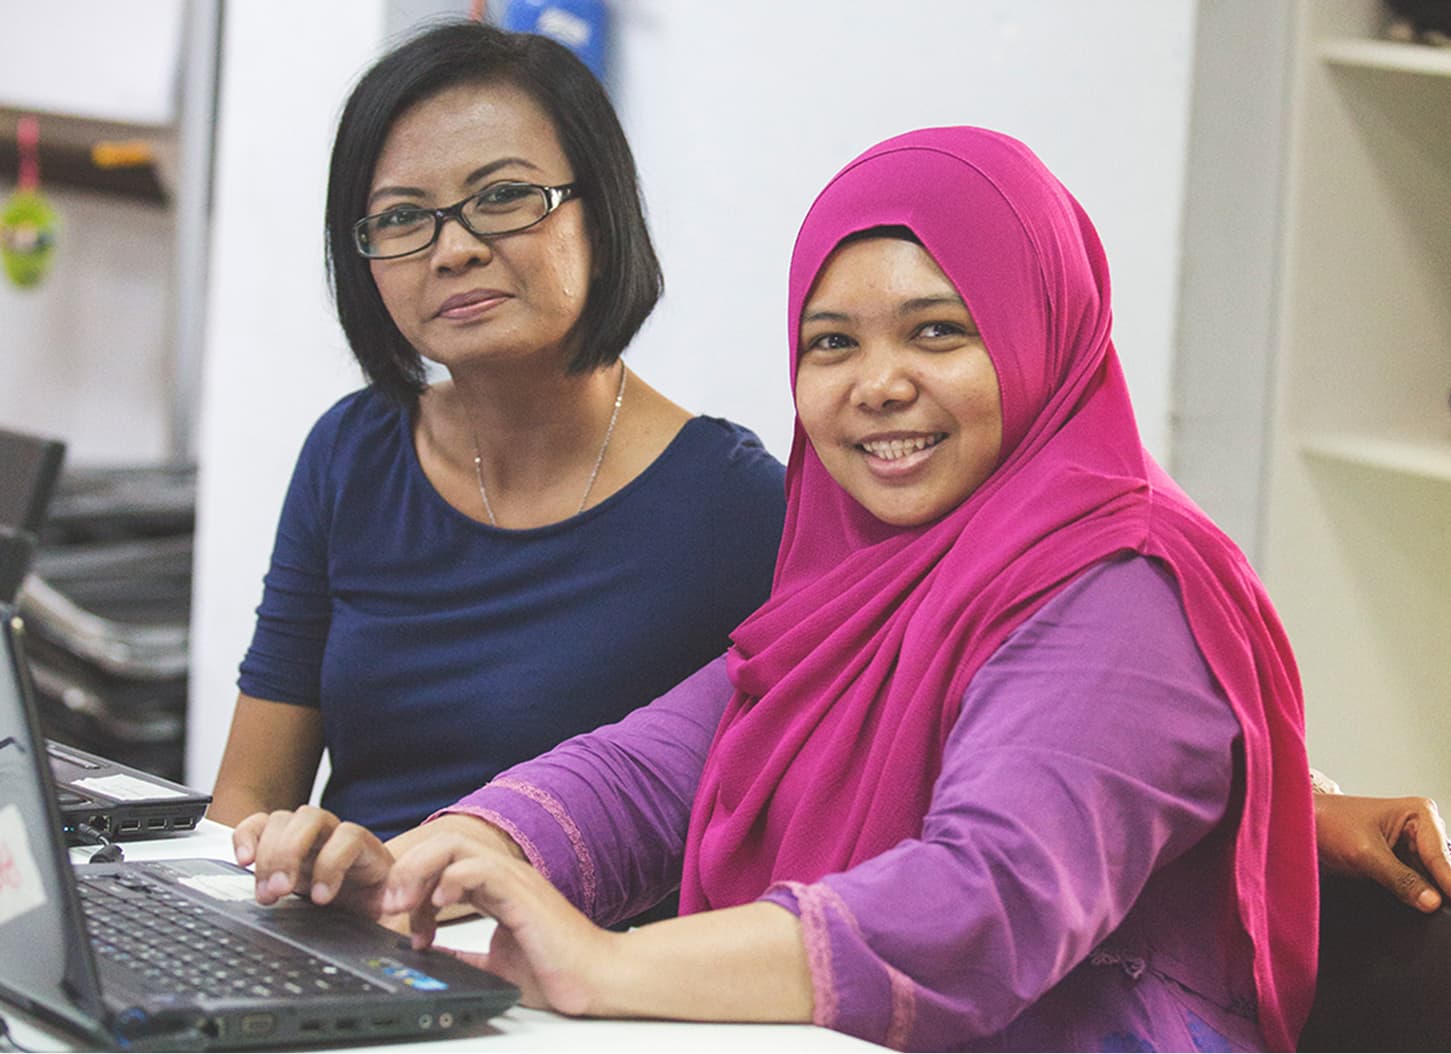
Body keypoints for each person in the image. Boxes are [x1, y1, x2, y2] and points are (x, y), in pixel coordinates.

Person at [237, 125, 1336, 1051]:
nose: (878, 385)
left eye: (938, 331)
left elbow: (988, 898)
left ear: (1041, 328)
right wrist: (447, 858)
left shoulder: (1124, 581)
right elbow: (659, 767)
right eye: (831, 343)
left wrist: (606, 966)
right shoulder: (870, 573)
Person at [206, 23, 786, 840]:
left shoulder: (736, 505)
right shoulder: (353, 453)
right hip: (341, 913)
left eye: (503, 197)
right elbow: (249, 797)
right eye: (402, 217)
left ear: (600, 216)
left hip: (568, 921)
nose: (454, 249)